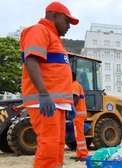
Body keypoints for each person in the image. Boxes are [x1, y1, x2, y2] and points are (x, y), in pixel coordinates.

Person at [20, 2, 78, 168]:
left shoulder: (55, 39)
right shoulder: (39, 30)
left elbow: (56, 73)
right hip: (45, 101)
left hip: (57, 103)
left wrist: (68, 103)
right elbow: (31, 60)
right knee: (49, 146)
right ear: (54, 15)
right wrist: (44, 94)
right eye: (67, 21)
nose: (68, 26)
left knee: (58, 146)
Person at [70, 72, 89, 161]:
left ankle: (84, 155)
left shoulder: (74, 85)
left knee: (79, 135)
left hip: (78, 114)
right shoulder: (75, 84)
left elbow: (75, 99)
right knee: (78, 135)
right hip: (78, 113)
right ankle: (80, 154)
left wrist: (70, 109)